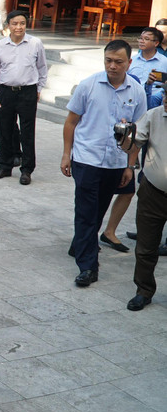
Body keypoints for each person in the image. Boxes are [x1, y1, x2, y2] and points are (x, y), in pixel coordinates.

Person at [61, 39, 147, 287]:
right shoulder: (88, 85)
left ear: (129, 63)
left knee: (98, 209)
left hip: (115, 162)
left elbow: (137, 134)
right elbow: (71, 121)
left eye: (118, 62)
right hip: (87, 159)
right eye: (108, 60)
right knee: (86, 212)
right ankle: (88, 267)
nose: (112, 66)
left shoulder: (136, 92)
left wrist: (130, 165)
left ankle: (79, 244)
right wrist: (67, 154)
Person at [0, 11, 48, 185]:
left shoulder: (35, 43)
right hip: (6, 92)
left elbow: (42, 68)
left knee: (27, 132)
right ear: (8, 26)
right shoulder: (0, 46)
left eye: (22, 23)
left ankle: (27, 169)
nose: (18, 27)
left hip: (27, 92)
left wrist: (39, 88)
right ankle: (5, 166)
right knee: (5, 129)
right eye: (15, 23)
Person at [122, 92, 167, 311]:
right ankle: (143, 290)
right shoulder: (154, 115)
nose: (166, 99)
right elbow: (132, 146)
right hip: (153, 193)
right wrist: (122, 137)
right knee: (146, 247)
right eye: (166, 93)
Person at [127, 27, 167, 108]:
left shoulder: (164, 62)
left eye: (146, 39)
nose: (141, 41)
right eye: (141, 38)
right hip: (134, 98)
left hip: (155, 100)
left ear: (156, 43)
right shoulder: (132, 60)